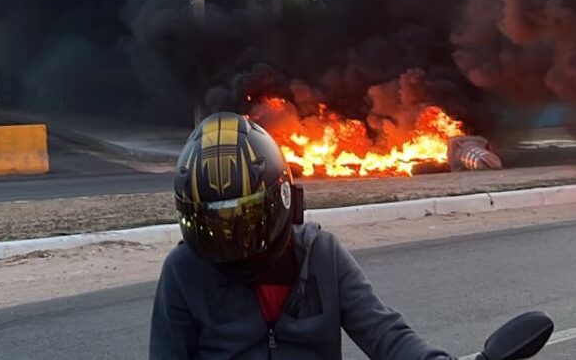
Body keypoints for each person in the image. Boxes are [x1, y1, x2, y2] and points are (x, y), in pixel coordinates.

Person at [149, 112, 454, 359]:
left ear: (283, 197)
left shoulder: (321, 254)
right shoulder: (184, 270)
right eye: (215, 226)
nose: (234, 241)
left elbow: (383, 331)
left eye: (248, 221)